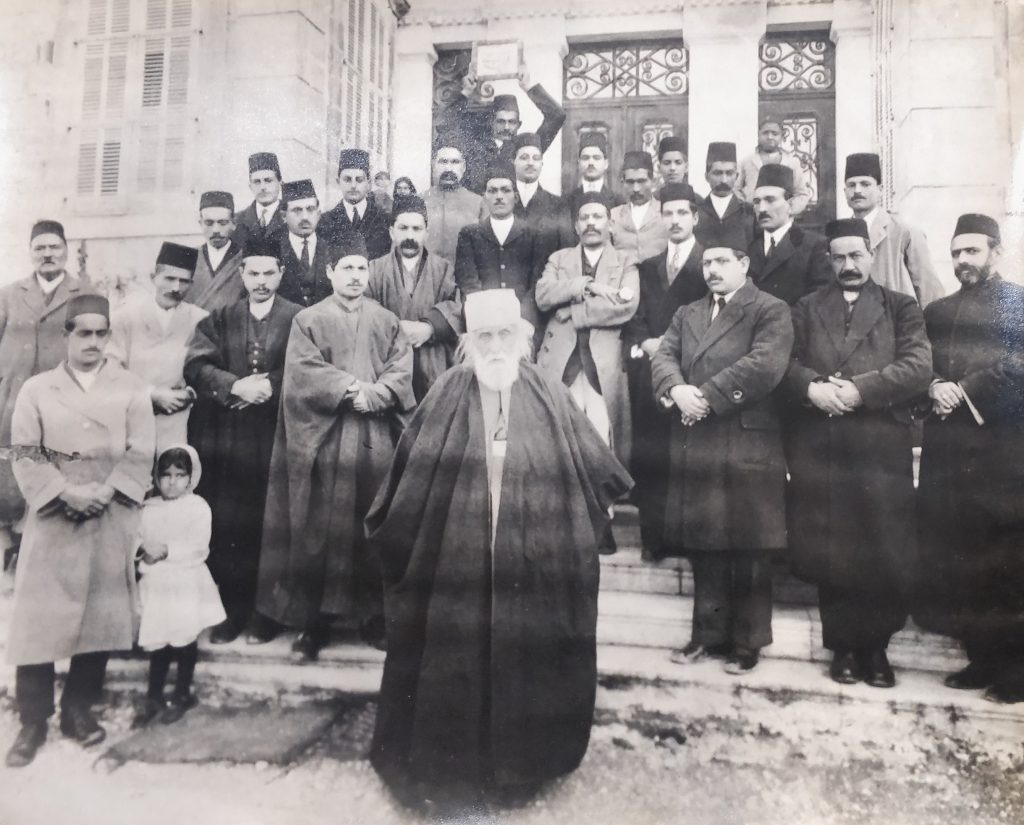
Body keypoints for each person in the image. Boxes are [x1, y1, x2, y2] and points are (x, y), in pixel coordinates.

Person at [367, 289, 632, 810]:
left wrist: (587, 519)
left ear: (522, 339)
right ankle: (454, 765)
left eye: (503, 335)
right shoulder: (445, 391)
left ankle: (523, 765)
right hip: (457, 558)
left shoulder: (548, 393)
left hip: (530, 556)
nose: (493, 346)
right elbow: (408, 478)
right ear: (467, 342)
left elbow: (592, 469)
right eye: (483, 336)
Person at [4, 294, 155, 768]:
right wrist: (63, 492)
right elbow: (24, 452)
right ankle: (32, 720)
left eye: (100, 333)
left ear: (109, 336)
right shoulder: (37, 390)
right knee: (39, 618)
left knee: (99, 617)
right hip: (53, 516)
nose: (92, 342)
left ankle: (78, 711)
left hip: (108, 515)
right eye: (82, 333)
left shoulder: (130, 387)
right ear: (65, 335)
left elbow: (141, 448)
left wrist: (108, 492)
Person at [783, 218, 932, 688]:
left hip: (879, 447)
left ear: (871, 255)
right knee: (835, 548)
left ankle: (877, 649)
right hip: (823, 447)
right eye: (839, 257)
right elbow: (782, 363)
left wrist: (857, 391)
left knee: (881, 546)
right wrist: (810, 388)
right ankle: (843, 647)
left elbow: (917, 365)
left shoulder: (900, 306)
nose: (849, 265)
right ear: (828, 260)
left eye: (857, 256)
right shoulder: (805, 308)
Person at [253, 231, 414, 660]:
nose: (356, 276)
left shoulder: (386, 320)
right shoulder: (309, 320)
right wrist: (348, 389)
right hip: (326, 439)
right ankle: (313, 624)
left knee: (372, 524)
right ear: (329, 272)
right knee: (319, 530)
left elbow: (401, 369)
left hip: (374, 440)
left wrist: (375, 395)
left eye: (363, 268)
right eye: (347, 268)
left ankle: (374, 618)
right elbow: (302, 373)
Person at [650, 226, 793, 675]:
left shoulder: (770, 309)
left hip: (748, 442)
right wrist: (676, 390)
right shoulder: (687, 312)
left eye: (721, 262)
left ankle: (747, 642)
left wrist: (704, 397)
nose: (711, 270)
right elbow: (663, 357)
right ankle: (706, 636)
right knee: (705, 543)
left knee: (750, 546)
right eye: (707, 263)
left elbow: (764, 366)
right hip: (700, 441)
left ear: (744, 265)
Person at [916, 213, 1024, 703]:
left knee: (1005, 561)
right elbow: (920, 363)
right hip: (949, 453)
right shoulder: (937, 310)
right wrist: (935, 386)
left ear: (995, 253)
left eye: (973, 251)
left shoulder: (1017, 302)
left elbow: (1018, 363)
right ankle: (980, 658)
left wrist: (965, 390)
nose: (963, 261)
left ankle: (1016, 670)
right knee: (963, 556)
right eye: (957, 252)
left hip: (1001, 452)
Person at [183, 236, 301, 644]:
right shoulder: (220, 316)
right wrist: (235, 386)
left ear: (282, 274)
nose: (262, 281)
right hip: (232, 438)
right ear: (242, 274)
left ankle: (270, 614)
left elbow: (311, 369)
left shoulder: (300, 318)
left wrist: (270, 384)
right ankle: (234, 611)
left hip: (278, 437)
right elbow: (196, 364)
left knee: (273, 524)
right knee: (232, 523)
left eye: (270, 272)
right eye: (254, 273)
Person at [0, 220, 92, 573]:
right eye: (40, 248)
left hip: (60, 402)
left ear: (66, 250)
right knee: (10, 476)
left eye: (54, 247)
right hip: (11, 400)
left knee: (53, 470)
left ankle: (39, 556)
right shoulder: (10, 294)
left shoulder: (83, 292)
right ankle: (9, 551)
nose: (47, 254)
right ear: (30, 253)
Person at [624, 183, 706, 559]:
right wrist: (646, 342)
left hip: (693, 374)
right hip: (651, 377)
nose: (674, 220)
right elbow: (635, 319)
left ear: (695, 218)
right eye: (668, 213)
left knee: (689, 458)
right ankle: (652, 539)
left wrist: (670, 346)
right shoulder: (649, 267)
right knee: (652, 455)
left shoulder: (709, 264)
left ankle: (686, 539)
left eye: (682, 213)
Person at [536, 191, 639, 484]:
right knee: (559, 435)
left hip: (602, 364)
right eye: (584, 218)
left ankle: (601, 514)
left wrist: (572, 313)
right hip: (561, 362)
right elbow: (543, 295)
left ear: (610, 224)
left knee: (600, 434)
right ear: (575, 226)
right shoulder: (559, 258)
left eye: (597, 217)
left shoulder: (625, 261)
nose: (591, 223)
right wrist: (585, 285)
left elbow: (625, 305)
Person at [132, 445, 225, 727]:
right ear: (156, 477)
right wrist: (142, 551)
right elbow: (136, 539)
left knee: (184, 637)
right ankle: (154, 695)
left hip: (185, 581)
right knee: (158, 639)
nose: (172, 482)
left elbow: (198, 547)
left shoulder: (197, 507)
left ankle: (183, 692)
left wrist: (167, 550)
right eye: (166, 475)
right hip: (157, 583)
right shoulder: (147, 509)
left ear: (190, 477)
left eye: (180, 475)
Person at [108, 242, 207, 453]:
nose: (175, 288)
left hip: (179, 419)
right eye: (169, 278)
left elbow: (207, 368)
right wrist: (150, 394)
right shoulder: (125, 317)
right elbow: (110, 370)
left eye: (184, 281)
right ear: (154, 278)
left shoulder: (200, 320)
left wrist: (190, 393)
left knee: (173, 480)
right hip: (132, 418)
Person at [368, 194, 463, 401]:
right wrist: (395, 328)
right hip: (388, 363)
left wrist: (429, 327)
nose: (410, 235)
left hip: (433, 362)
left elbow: (456, 306)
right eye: (403, 228)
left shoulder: (444, 269)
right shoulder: (374, 269)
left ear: (426, 233)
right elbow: (365, 307)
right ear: (392, 232)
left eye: (417, 229)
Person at [843, 152, 944, 305]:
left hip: (896, 323)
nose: (857, 190)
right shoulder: (841, 237)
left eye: (865, 184)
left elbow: (929, 291)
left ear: (880, 189)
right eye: (851, 185)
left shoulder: (905, 233)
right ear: (845, 192)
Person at [454, 160, 544, 331]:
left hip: (522, 323)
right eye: (492, 191)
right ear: (485, 197)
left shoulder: (533, 234)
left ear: (515, 197)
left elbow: (536, 283)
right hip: (482, 322)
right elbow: (468, 283)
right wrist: (486, 319)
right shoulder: (470, 234)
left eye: (505, 190)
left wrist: (520, 320)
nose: (499, 196)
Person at [455, 68, 566, 195]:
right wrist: (465, 92)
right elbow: (450, 123)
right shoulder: (475, 147)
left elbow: (557, 115)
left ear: (519, 124)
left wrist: (528, 87)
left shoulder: (527, 148)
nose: (507, 127)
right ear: (492, 122)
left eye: (512, 122)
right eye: (501, 121)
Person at [746, 164, 832, 305]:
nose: (761, 209)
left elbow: (819, 299)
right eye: (757, 202)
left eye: (770, 200)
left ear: (790, 204)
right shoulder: (749, 246)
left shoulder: (814, 246)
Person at [510, 131, 574, 262]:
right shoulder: (501, 200)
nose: (530, 163)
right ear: (513, 162)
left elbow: (566, 252)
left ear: (542, 164)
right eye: (524, 157)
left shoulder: (558, 205)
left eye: (536, 158)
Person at [319, 148, 391, 260]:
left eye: (359, 180)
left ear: (368, 183)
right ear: (338, 182)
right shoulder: (325, 222)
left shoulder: (384, 220)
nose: (353, 185)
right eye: (347, 179)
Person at [422, 137, 484, 265]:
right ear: (433, 165)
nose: (448, 168)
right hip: (425, 279)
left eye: (455, 162)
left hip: (463, 279)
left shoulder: (479, 204)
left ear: (464, 167)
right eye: (443, 162)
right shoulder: (419, 201)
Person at [735, 114, 812, 216]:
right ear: (758, 135)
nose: (770, 137)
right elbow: (735, 188)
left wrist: (789, 210)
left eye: (774, 133)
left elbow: (801, 193)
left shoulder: (792, 162)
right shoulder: (747, 161)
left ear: (781, 136)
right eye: (765, 133)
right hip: (753, 216)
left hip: (782, 217)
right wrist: (746, 207)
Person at [276, 178, 333, 308]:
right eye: (297, 210)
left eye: (310, 209)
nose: (305, 217)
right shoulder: (274, 249)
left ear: (318, 214)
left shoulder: (333, 248)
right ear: (284, 216)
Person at [189, 190, 247, 312]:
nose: (216, 229)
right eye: (209, 223)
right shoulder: (189, 257)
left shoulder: (246, 258)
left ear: (234, 223)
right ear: (200, 224)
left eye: (222, 223)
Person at [695, 141, 756, 250]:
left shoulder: (749, 212)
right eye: (717, 173)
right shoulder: (697, 212)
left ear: (736, 176)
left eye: (729, 173)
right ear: (706, 176)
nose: (724, 180)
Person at [610, 150, 669, 263]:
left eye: (641, 181)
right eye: (630, 182)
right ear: (623, 182)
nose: (636, 189)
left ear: (653, 181)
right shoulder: (614, 215)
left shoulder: (666, 212)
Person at [565, 133, 625, 224]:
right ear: (579, 163)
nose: (591, 163)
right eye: (585, 158)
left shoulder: (618, 202)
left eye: (596, 158)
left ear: (605, 163)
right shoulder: (567, 201)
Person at [233, 152, 286, 248]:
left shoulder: (291, 216)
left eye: (268, 180)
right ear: (250, 187)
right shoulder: (237, 220)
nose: (262, 187)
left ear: (280, 184)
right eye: (257, 182)